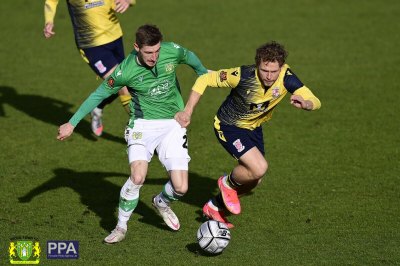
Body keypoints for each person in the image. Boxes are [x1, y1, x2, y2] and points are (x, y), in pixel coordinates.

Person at [57, 24, 209, 243]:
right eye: (149, 52)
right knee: (138, 177)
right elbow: (97, 95)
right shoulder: (124, 71)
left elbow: (189, 56)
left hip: (172, 123)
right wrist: (71, 123)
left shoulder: (171, 51)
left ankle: (161, 202)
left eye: (157, 51)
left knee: (181, 188)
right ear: (137, 47)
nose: (154, 57)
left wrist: (203, 73)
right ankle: (120, 227)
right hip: (142, 126)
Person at [175, 41, 321, 228]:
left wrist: (307, 103)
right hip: (228, 126)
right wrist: (188, 111)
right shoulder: (242, 75)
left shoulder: (287, 77)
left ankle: (214, 207)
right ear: (257, 64)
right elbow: (204, 79)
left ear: (281, 67)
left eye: (274, 71)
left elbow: (314, 99)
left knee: (254, 179)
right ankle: (226, 183)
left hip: (254, 128)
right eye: (264, 70)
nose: (269, 76)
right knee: (259, 167)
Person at [44, 0, 134, 136]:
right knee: (121, 85)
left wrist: (128, 1)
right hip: (91, 44)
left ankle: (98, 107)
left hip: (115, 35)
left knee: (126, 82)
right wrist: (49, 20)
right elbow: (51, 1)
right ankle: (141, 128)